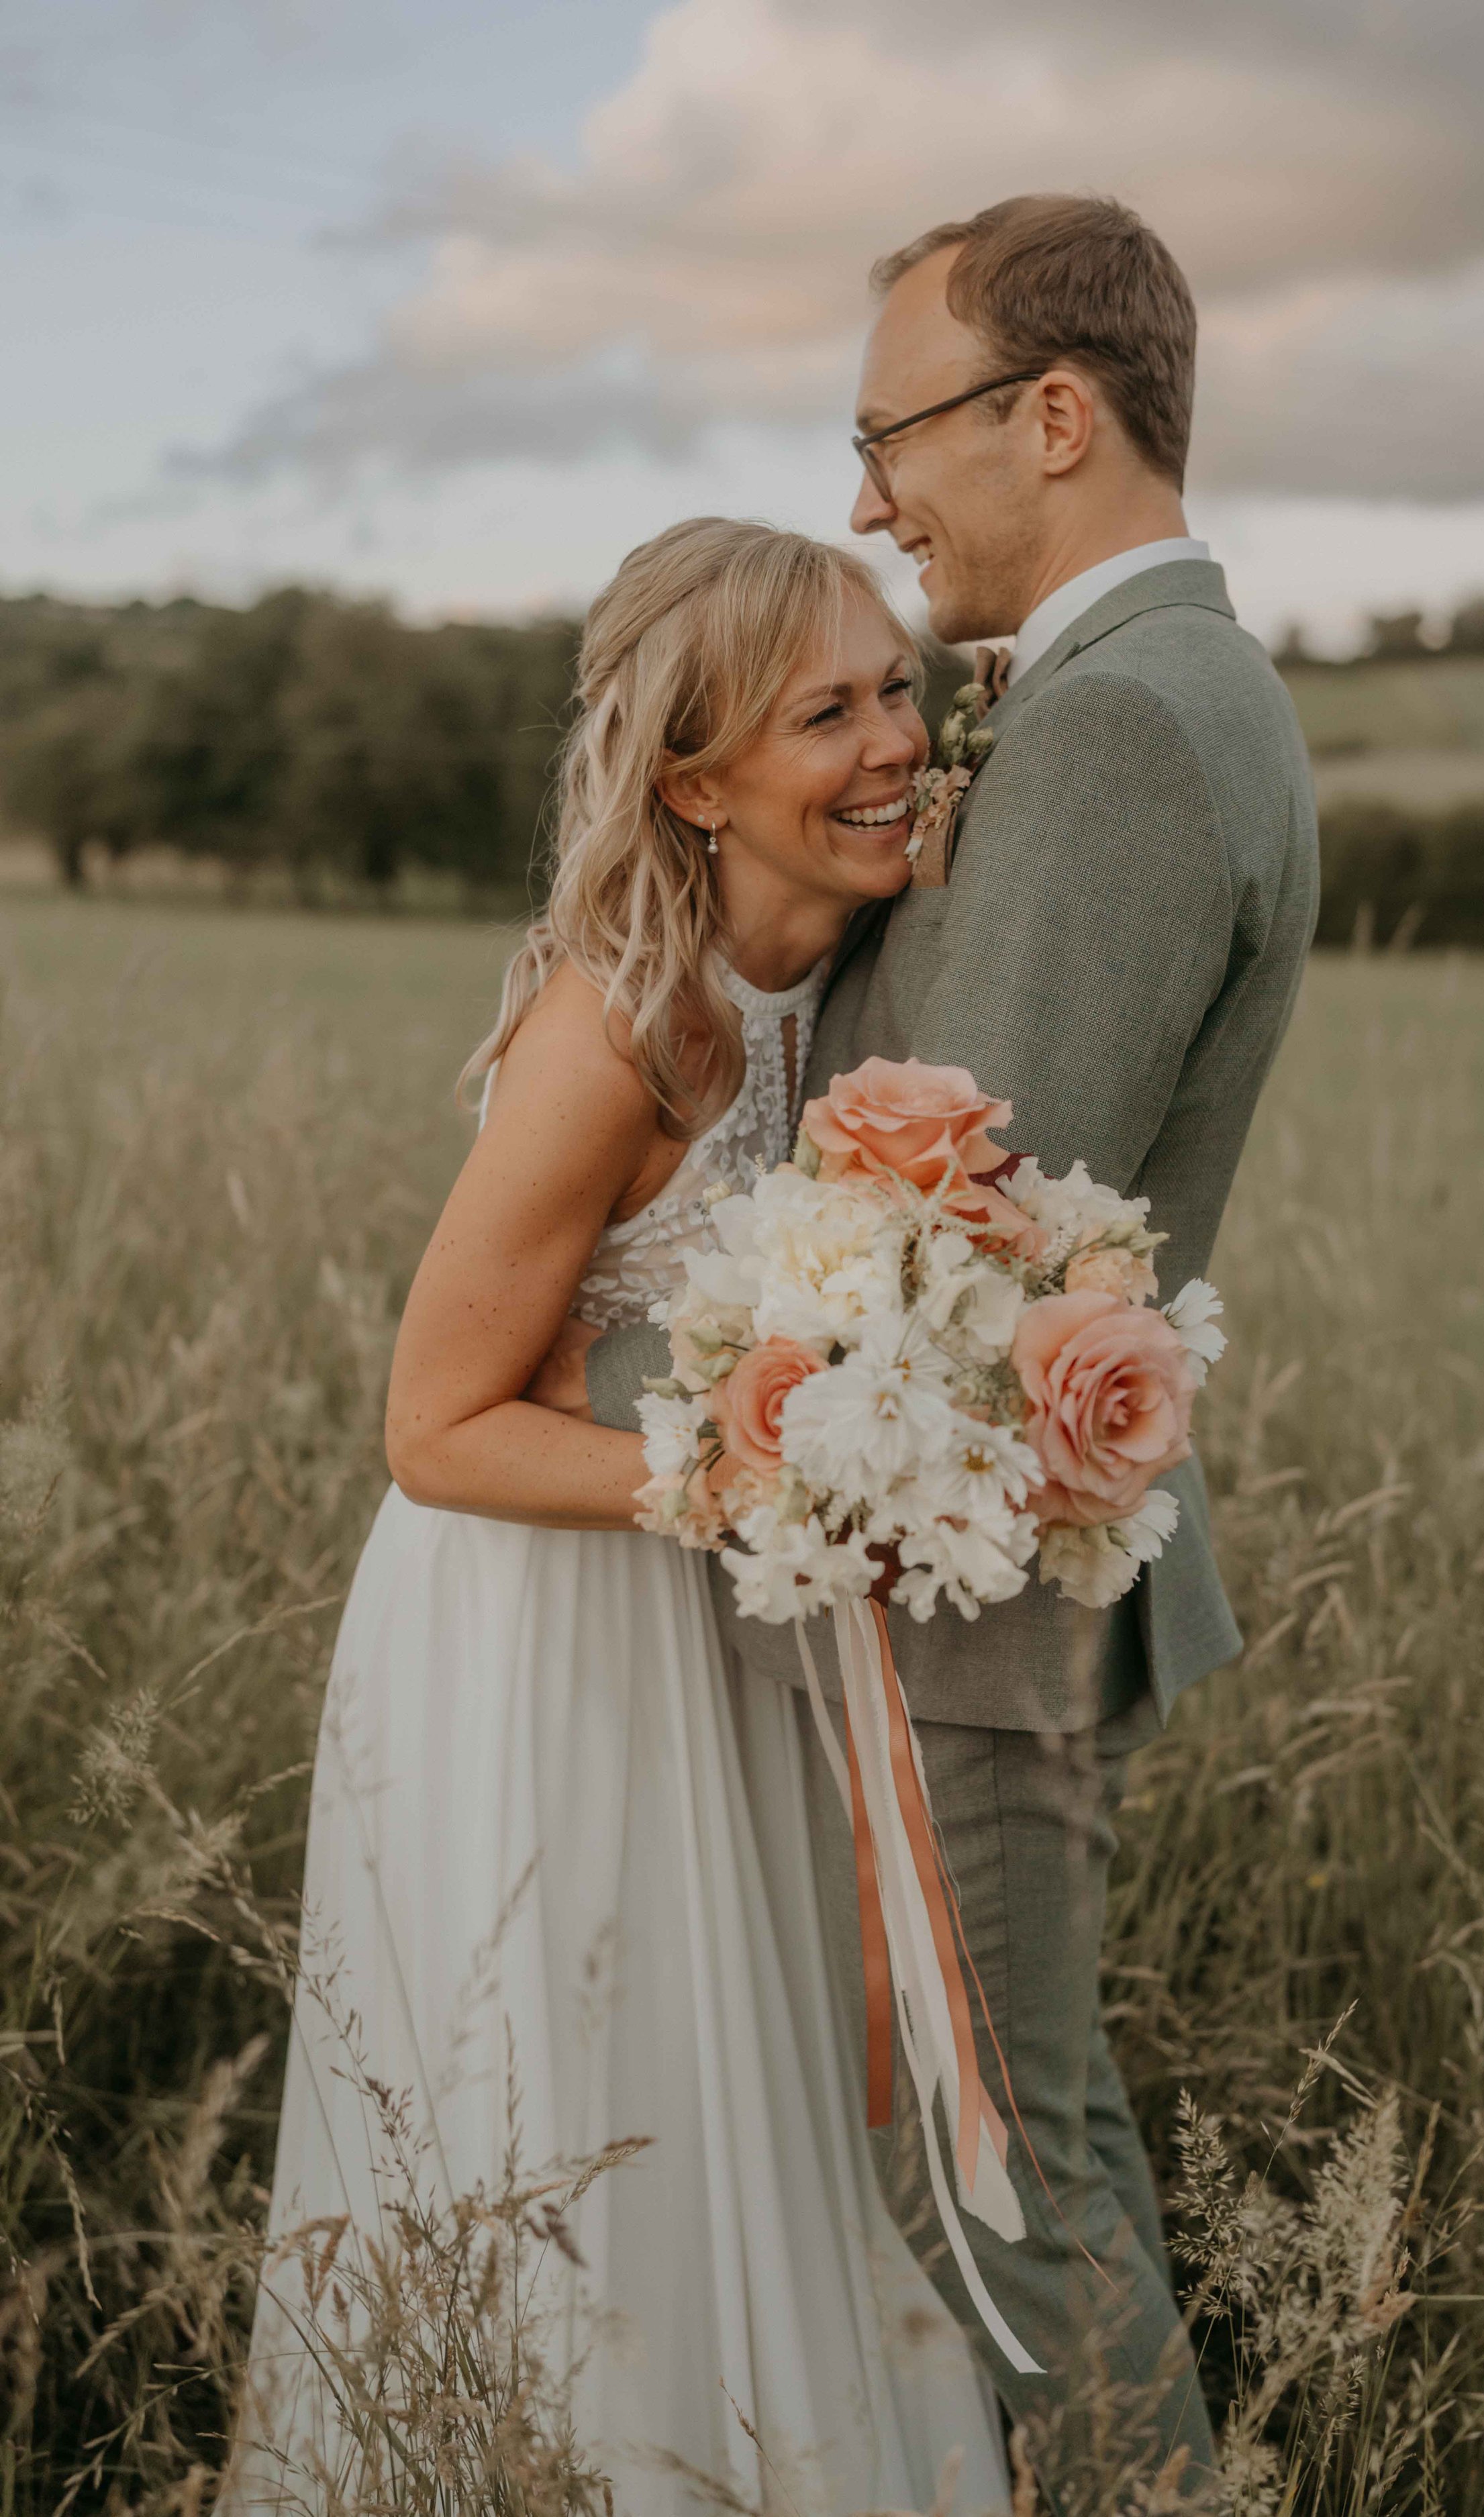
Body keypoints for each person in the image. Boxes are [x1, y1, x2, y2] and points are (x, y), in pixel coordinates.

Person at [575, 196, 1320, 2504]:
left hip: (967, 1583)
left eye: (890, 434)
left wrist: (665, 1409)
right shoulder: (1141, 697)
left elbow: (949, 1234)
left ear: (1057, 417)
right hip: (956, 1559)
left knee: (1003, 2189)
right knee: (993, 2158)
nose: (869, 500)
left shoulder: (1116, 728)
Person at [228, 519, 1011, 2516]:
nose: (886, 743)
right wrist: (774, 1478)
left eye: (895, 688)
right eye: (820, 712)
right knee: (589, 2116)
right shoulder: (618, 1026)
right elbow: (434, 1424)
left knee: (745, 2103)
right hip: (541, 1630)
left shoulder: (844, 975)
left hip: (718, 1618)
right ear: (691, 781)